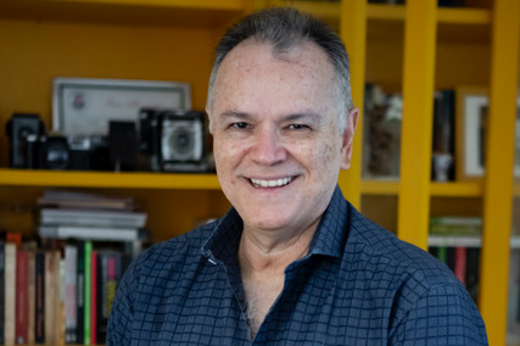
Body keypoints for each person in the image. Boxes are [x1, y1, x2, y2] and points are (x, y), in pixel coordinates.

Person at [107, 7, 488, 345]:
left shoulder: (421, 303)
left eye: (297, 126)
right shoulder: (150, 283)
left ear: (345, 138)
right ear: (213, 132)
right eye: (240, 124)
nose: (267, 154)